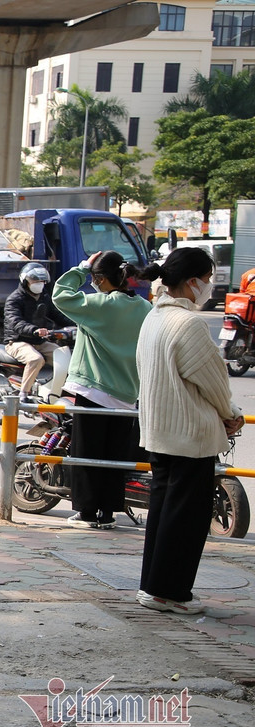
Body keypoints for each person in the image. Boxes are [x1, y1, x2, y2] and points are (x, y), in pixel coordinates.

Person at [135, 247, 244, 614]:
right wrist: (232, 414)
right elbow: (214, 383)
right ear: (193, 281)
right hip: (190, 437)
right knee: (186, 522)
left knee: (164, 514)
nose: (209, 288)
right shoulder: (190, 324)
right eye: (208, 280)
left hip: (160, 434)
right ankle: (171, 592)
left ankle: (152, 587)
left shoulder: (154, 317)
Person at [52, 250, 151, 529]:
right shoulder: (145, 308)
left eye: (95, 278)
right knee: (114, 457)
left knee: (87, 453)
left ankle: (85, 513)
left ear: (101, 279)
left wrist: (81, 268)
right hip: (127, 393)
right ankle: (107, 514)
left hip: (94, 390)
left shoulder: (98, 305)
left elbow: (61, 294)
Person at [3, 263, 73, 400]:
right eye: (35, 281)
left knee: (65, 358)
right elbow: (16, 322)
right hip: (17, 341)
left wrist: (78, 324)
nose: (39, 284)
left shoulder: (44, 297)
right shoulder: (14, 299)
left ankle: (55, 390)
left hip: (39, 341)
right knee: (36, 359)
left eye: (41, 281)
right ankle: (23, 394)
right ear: (25, 281)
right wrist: (35, 330)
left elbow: (57, 315)